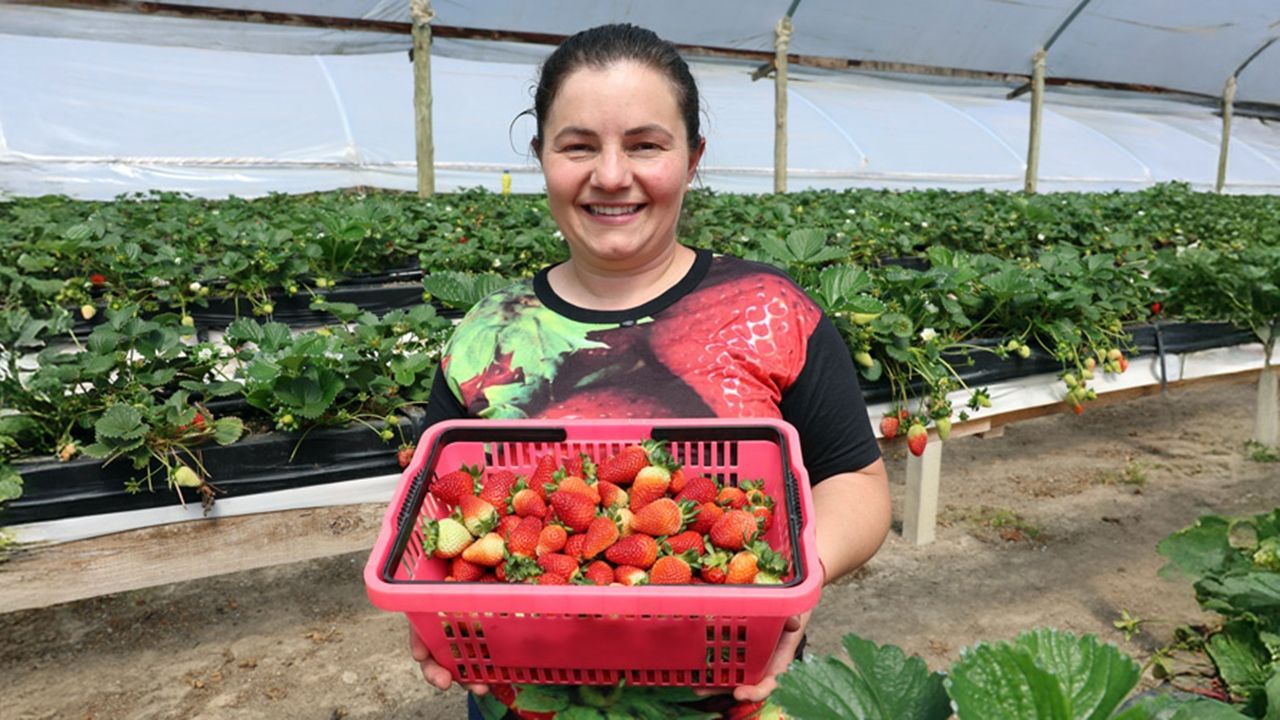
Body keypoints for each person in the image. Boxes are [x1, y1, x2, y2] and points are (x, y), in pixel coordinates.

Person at [412, 23, 892, 718]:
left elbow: (855, 480)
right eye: (578, 146)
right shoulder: (487, 331)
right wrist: (432, 603)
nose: (611, 175)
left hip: (734, 697)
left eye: (645, 144)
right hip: (530, 696)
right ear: (542, 156)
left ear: (692, 158)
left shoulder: (770, 309)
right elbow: (433, 502)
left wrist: (794, 578)